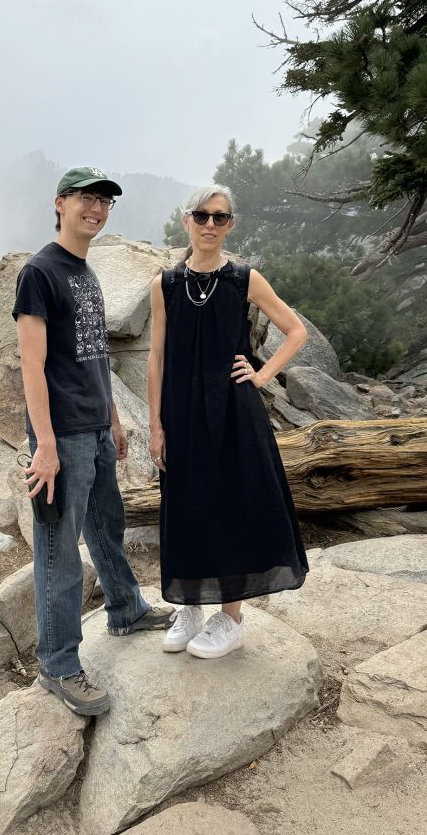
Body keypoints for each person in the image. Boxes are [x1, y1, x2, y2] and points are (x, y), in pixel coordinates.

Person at [13, 166, 173, 716]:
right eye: (85, 198)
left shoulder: (85, 270)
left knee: (109, 523)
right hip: (60, 438)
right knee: (58, 551)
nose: (96, 208)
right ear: (59, 203)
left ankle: (126, 609)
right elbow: (31, 366)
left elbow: (93, 354)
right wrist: (46, 445)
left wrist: (112, 417)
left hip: (96, 428)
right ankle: (58, 664)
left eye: (104, 201)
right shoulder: (39, 272)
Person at [147, 184, 309, 659]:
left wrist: (260, 375)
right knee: (186, 503)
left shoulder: (243, 279)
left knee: (231, 504)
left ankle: (231, 617)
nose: (210, 225)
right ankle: (191, 606)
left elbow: (295, 330)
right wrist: (155, 424)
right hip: (181, 412)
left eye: (220, 218)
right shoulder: (166, 285)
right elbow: (155, 358)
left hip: (232, 411)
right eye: (202, 216)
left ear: (231, 224)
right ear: (187, 221)